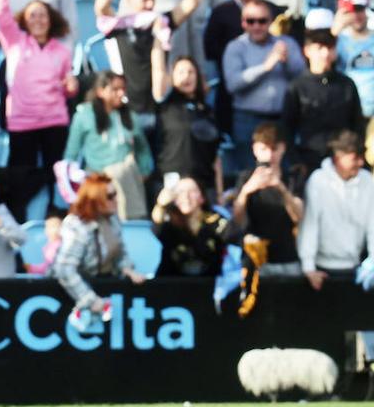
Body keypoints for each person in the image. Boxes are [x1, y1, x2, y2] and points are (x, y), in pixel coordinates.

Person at [0, 0, 76, 222]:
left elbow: (68, 85)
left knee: (56, 172)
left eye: (43, 15)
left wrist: (71, 87)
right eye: (32, 15)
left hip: (54, 121)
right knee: (20, 176)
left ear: (51, 20)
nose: (38, 19)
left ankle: (57, 214)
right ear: (24, 21)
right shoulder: (14, 42)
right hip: (22, 121)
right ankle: (20, 220)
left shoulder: (62, 51)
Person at [95, 0, 201, 125]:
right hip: (128, 110)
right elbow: (101, 6)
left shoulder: (161, 22)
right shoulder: (119, 25)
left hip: (160, 108)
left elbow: (192, 1)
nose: (150, 4)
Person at [51, 172, 147, 330]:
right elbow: (64, 269)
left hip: (101, 288)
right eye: (110, 196)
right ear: (96, 200)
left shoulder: (113, 220)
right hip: (68, 296)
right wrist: (90, 300)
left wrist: (126, 268)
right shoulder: (77, 226)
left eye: (115, 194)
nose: (116, 199)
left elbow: (119, 252)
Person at [222, 0, 305, 171]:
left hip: (282, 118)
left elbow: (302, 77)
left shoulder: (286, 43)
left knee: (284, 170)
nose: (257, 26)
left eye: (262, 21)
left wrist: (286, 61)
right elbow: (233, 84)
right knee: (250, 171)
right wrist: (265, 67)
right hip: (248, 119)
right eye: (251, 21)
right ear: (243, 23)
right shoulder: (235, 47)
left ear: (270, 22)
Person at [64, 71, 154, 220]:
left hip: (128, 181)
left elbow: (142, 147)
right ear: (100, 91)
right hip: (97, 181)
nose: (120, 93)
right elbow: (71, 153)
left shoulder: (130, 116)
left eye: (123, 89)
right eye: (115, 89)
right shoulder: (84, 116)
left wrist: (144, 171)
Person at [297, 130, 374, 292]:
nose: (361, 163)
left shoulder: (368, 181)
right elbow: (310, 225)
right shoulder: (318, 180)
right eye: (355, 158)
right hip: (321, 272)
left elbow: (373, 226)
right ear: (338, 157)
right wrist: (309, 267)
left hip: (357, 270)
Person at [282, 27, 365, 174]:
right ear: (307, 51)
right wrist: (296, 161)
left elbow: (357, 124)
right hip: (309, 158)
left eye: (330, 48)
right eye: (320, 48)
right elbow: (287, 128)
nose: (325, 53)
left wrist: (355, 154)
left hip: (343, 159)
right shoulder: (297, 86)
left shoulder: (346, 84)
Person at [230, 122, 305, 275]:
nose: (270, 155)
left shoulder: (292, 178)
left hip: (287, 258)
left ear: (282, 148)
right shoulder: (245, 178)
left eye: (274, 149)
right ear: (255, 150)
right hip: (255, 259)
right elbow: (237, 220)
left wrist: (281, 188)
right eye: (264, 149)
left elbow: (298, 216)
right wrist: (246, 191)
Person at [204, 0, 268, 133]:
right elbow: (210, 48)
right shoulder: (220, 13)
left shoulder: (272, 10)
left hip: (267, 92)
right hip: (230, 93)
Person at [151, 55, 222, 196]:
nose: (187, 77)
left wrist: (219, 192)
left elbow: (216, 157)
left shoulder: (207, 111)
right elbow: (158, 72)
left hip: (204, 185)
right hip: (171, 184)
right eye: (181, 72)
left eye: (191, 72)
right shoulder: (164, 106)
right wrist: (158, 38)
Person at [150, 177, 228, 277]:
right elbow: (157, 226)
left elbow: (232, 234)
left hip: (208, 286)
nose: (186, 196)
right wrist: (160, 204)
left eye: (192, 191)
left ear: (202, 197)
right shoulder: (170, 224)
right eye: (180, 192)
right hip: (172, 285)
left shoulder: (215, 220)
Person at [334, 0, 374, 123]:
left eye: (359, 9)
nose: (356, 16)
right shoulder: (337, 40)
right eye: (350, 12)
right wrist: (336, 29)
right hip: (347, 112)